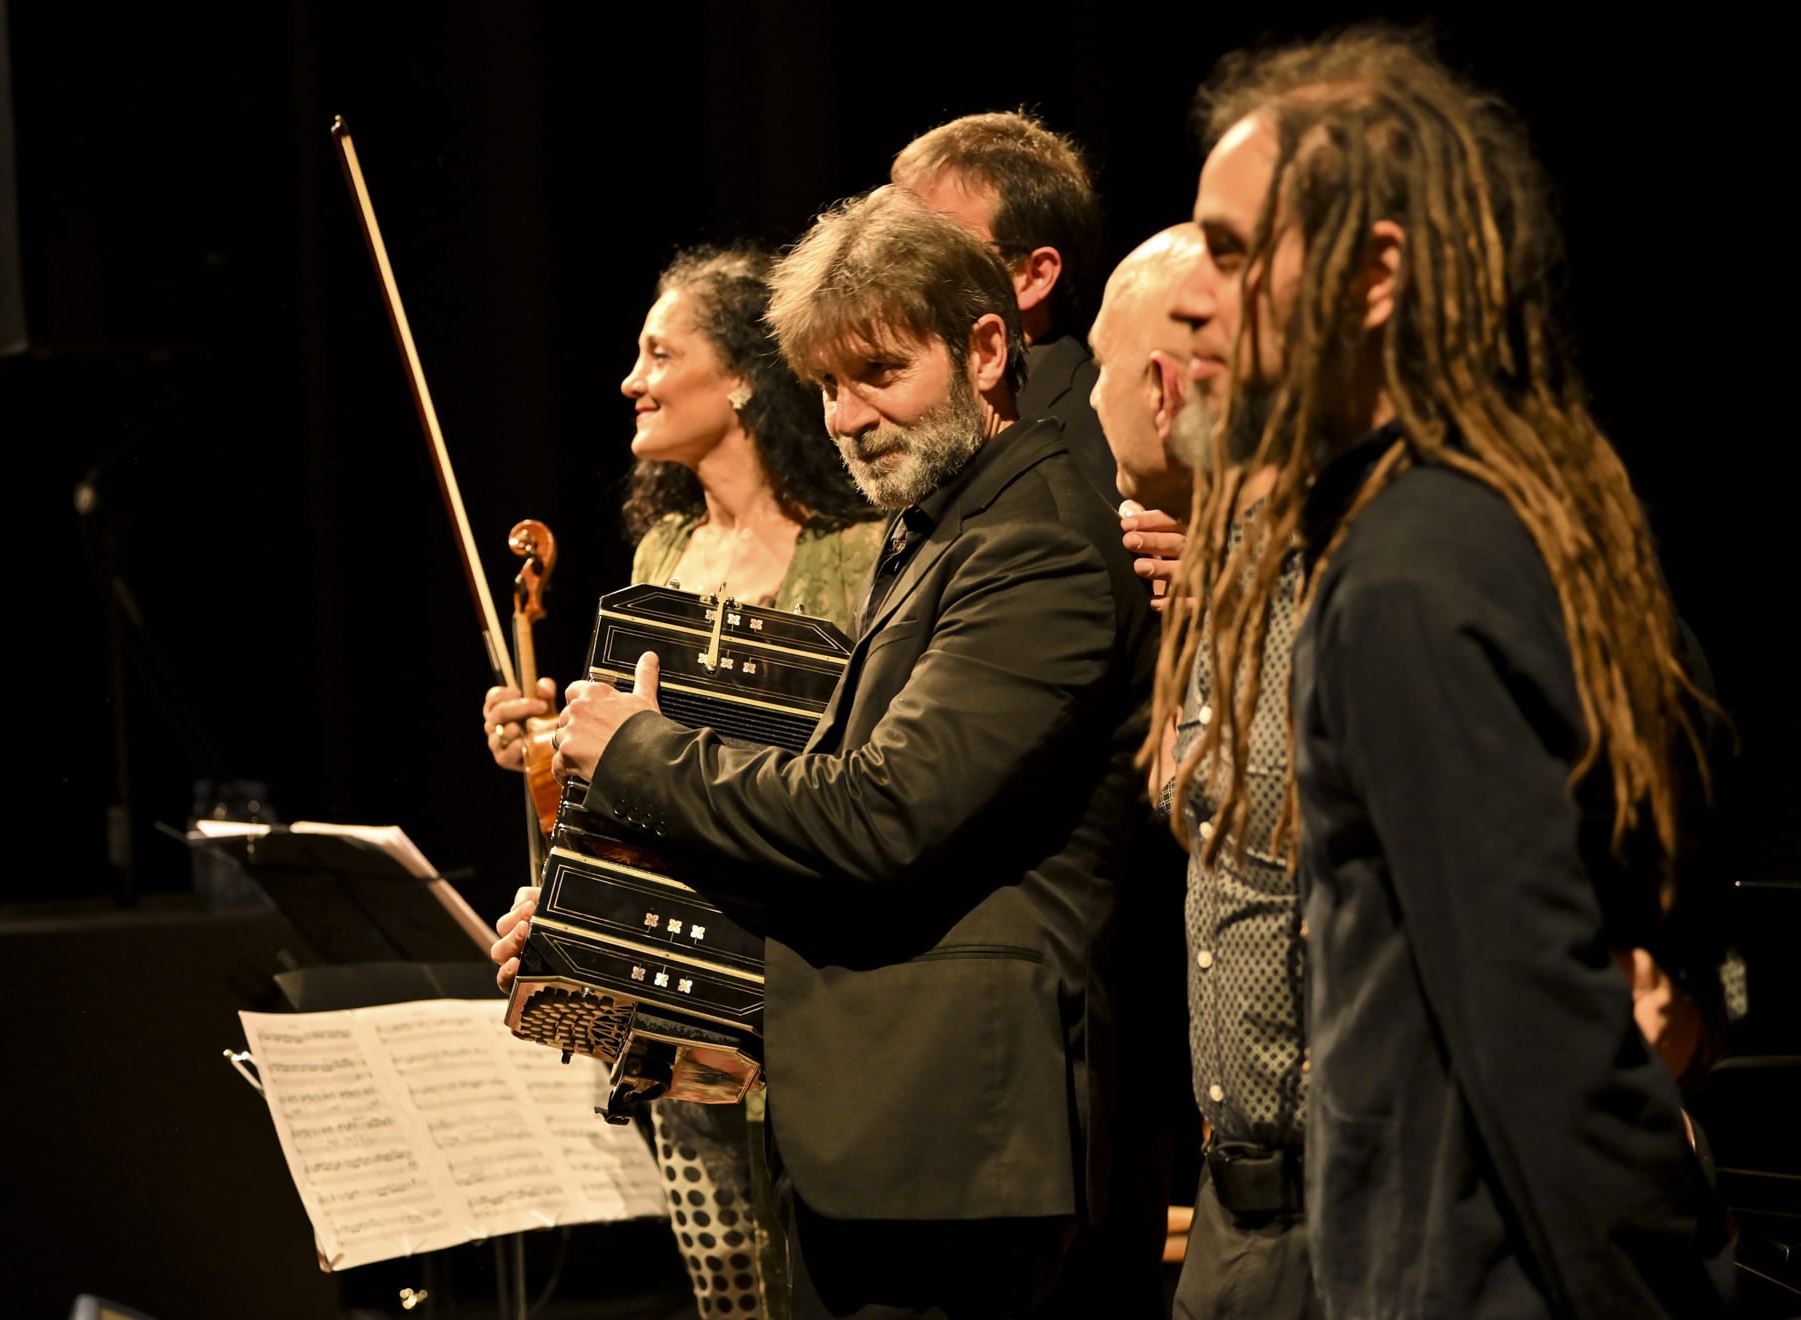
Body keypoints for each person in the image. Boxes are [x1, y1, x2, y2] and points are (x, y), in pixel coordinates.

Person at [1149, 27, 1736, 1316]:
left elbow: (1539, 1042)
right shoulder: (1513, 512)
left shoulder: (1409, 574)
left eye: (1238, 253)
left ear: (1378, 276)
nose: (1194, 296)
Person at [499, 184, 1158, 1318]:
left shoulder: (1035, 540)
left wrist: (643, 753)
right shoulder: (940, 521)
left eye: (881, 374)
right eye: (829, 388)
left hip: (953, 1146)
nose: (849, 418)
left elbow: (880, 811)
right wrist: (592, 934)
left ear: (988, 347)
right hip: (885, 1133)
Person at [482, 244, 881, 1320]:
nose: (632, 378)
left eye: (662, 351)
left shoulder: (854, 554)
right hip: (670, 991)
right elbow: (627, 789)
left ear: (746, 374)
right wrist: (551, 752)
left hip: (797, 978)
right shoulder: (660, 549)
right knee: (728, 1300)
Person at [1093, 221, 1317, 1317]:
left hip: (1354, 1189)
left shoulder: (1349, 574)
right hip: (1235, 1188)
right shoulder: (1199, 580)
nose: (1084, 404)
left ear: (1162, 385)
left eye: (1094, 369)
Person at [892, 110, 1119, 503]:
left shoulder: (1093, 433)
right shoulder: (929, 409)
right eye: (895, 243)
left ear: (1032, 276)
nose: (893, 270)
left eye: (935, 246)